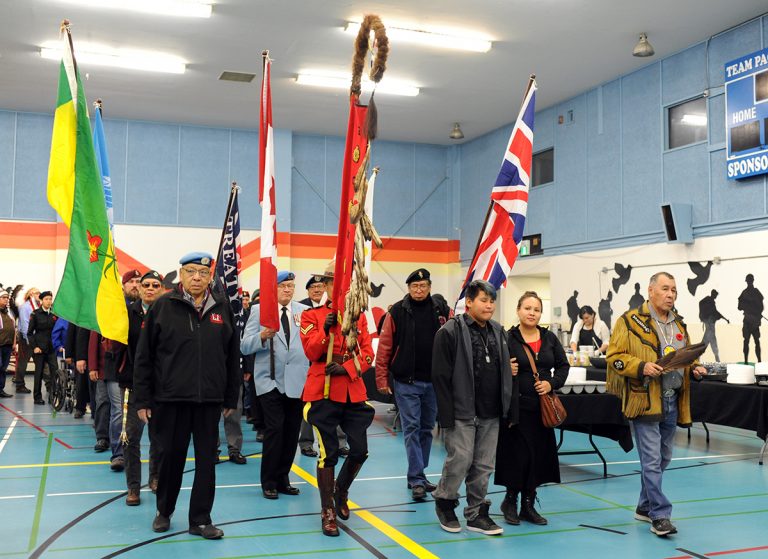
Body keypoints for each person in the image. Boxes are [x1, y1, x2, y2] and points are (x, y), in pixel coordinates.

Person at [133, 252, 240, 539]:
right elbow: (144, 356)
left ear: (210, 276)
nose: (196, 277)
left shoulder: (222, 308)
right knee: (171, 458)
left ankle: (201, 520)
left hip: (209, 402)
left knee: (207, 461)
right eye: (191, 271)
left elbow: (232, 357)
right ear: (180, 274)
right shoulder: (163, 306)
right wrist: (142, 400)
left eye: (202, 273)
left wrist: (231, 398)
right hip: (170, 399)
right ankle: (164, 511)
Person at [606, 271, 706, 537]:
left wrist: (694, 368)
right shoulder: (630, 321)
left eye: (674, 290)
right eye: (665, 289)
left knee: (663, 458)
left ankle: (643, 506)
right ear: (651, 291)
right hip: (645, 399)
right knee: (651, 460)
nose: (670, 294)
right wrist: (641, 366)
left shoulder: (679, 324)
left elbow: (682, 356)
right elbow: (614, 357)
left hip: (673, 400)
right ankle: (659, 515)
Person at [431, 280, 517, 536]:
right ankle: (445, 501)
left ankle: (477, 512)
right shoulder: (450, 332)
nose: (489, 305)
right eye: (483, 300)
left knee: (483, 465)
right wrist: (445, 416)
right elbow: (440, 377)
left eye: (492, 301)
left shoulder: (499, 331)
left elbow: (506, 372)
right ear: (469, 302)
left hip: (491, 412)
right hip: (461, 411)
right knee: (461, 459)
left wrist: (509, 409)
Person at [299, 263, 375, 537]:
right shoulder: (311, 315)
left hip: (352, 391)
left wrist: (348, 368)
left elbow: (368, 353)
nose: (338, 287)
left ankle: (341, 490)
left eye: (343, 283)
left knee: (360, 450)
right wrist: (324, 332)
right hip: (323, 392)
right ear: (327, 286)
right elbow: (310, 350)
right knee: (328, 453)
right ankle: (327, 509)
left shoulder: (360, 318)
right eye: (333, 282)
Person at [375, 268, 451, 500]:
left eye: (423, 286)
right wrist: (381, 378)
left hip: (433, 382)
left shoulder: (441, 311)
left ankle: (419, 473)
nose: (419, 290)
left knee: (427, 429)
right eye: (414, 286)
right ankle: (416, 478)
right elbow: (385, 347)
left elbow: (451, 343)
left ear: (429, 287)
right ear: (408, 288)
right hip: (406, 382)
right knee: (411, 429)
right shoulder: (397, 311)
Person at [496, 291, 568, 526]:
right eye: (527, 308)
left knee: (537, 458)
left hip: (542, 411)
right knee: (517, 457)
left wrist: (551, 383)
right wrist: (507, 369)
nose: (532, 313)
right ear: (518, 310)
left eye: (536, 309)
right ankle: (510, 501)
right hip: (516, 409)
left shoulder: (549, 338)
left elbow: (563, 366)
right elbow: (495, 368)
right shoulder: (508, 338)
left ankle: (528, 503)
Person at [241, 271, 309, 499]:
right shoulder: (260, 310)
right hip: (270, 382)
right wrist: (262, 336)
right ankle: (268, 481)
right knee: (275, 431)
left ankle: (283, 478)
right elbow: (245, 346)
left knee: (291, 434)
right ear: (274, 289)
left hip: (297, 381)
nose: (288, 290)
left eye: (291, 285)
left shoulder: (303, 311)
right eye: (283, 286)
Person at [122, 270, 163, 505]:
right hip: (135, 385)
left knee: (159, 437)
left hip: (161, 386)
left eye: (155, 285)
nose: (149, 288)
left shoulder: (169, 313)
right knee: (131, 438)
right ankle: (133, 487)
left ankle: (155, 477)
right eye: (145, 284)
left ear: (161, 289)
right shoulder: (128, 314)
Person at [297, 274, 347, 458]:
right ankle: (306, 442)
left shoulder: (343, 309)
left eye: (320, 286)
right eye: (313, 287)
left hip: (335, 366)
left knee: (339, 403)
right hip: (309, 364)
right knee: (311, 408)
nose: (317, 290)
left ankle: (341, 442)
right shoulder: (305, 309)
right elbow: (307, 345)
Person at [27, 291, 57, 405]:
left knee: (55, 372)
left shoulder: (54, 314)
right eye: (46, 299)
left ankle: (54, 395)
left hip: (51, 348)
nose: (49, 301)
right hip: (39, 348)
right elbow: (29, 333)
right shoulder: (35, 314)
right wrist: (34, 347)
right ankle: (37, 397)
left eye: (50, 299)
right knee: (39, 374)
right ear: (41, 301)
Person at [15, 287, 40, 393]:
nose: (39, 295)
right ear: (31, 295)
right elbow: (25, 325)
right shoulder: (25, 307)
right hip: (26, 339)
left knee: (41, 362)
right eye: (37, 293)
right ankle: (20, 385)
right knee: (23, 362)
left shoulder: (38, 307)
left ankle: (49, 384)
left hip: (37, 338)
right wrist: (29, 340)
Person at [738, 274, 763, 363]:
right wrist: (747, 305)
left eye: (749, 280)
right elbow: (739, 306)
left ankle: (758, 361)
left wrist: (755, 310)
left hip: (754, 321)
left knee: (756, 341)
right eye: (749, 281)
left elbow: (761, 307)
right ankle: (746, 361)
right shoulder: (745, 293)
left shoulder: (756, 292)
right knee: (747, 341)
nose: (749, 282)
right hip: (749, 321)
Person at [698, 289, 729, 362]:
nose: (716, 296)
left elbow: (715, 312)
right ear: (713, 294)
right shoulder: (709, 301)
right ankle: (715, 358)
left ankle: (716, 358)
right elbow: (715, 312)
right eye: (715, 295)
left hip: (711, 324)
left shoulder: (711, 302)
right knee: (708, 341)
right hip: (709, 324)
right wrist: (703, 317)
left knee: (710, 340)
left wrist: (725, 319)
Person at [0, 290, 15, 398]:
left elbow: (13, 328)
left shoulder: (8, 312)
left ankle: (1, 389)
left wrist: (14, 342)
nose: (6, 299)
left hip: (7, 345)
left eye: (7, 297)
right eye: (3, 297)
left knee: (3, 368)